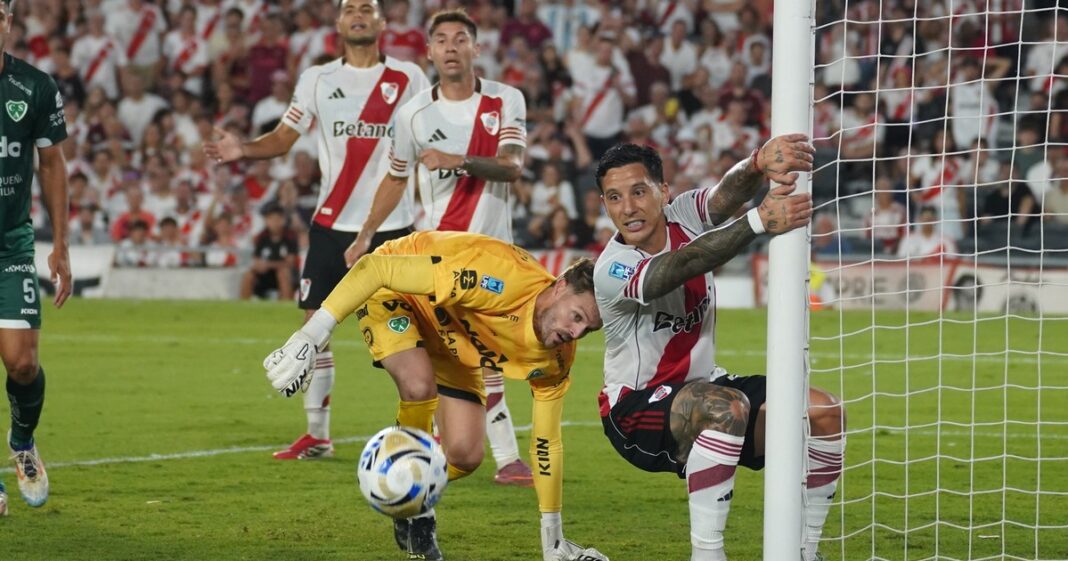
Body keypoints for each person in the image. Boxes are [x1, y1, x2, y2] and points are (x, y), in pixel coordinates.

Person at [263, 231, 608, 561]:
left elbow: (546, 442)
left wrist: (553, 539)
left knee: (466, 455)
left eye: (588, 329)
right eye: (576, 316)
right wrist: (311, 336)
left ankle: (404, 485)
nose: (575, 332)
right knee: (418, 385)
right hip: (397, 291)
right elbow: (374, 268)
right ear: (559, 286)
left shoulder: (557, 358)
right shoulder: (498, 278)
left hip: (453, 331)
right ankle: (413, 505)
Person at [592, 140, 845, 561]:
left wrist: (757, 163)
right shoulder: (612, 267)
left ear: (663, 191)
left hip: (705, 385)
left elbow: (725, 195)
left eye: (638, 191)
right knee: (725, 407)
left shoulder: (683, 214)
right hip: (635, 409)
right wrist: (758, 221)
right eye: (614, 197)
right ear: (604, 204)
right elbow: (677, 268)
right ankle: (707, 555)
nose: (628, 208)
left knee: (824, 413)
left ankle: (807, 551)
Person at [204, 0, 429, 461]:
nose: (359, 14)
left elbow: (427, 138)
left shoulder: (409, 77)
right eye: (350, 9)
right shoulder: (317, 78)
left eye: (367, 8)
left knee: (408, 335)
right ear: (339, 22)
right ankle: (318, 435)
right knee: (313, 327)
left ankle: (427, 431)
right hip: (331, 225)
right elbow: (285, 137)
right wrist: (243, 149)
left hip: (392, 227)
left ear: (382, 22)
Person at [344, 9, 536, 487]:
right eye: (442, 40)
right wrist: (366, 234)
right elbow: (395, 178)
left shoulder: (504, 100)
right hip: (436, 258)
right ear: (429, 51)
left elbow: (512, 166)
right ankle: (490, 455)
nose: (452, 47)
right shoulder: (412, 114)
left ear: (476, 48)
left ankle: (480, 453)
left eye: (461, 38)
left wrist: (458, 160)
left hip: (493, 256)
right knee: (456, 357)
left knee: (487, 354)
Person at [0, 0, 74, 515]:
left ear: (7, 21)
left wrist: (61, 245)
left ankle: (22, 442)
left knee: (23, 364)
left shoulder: (34, 86)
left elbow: (52, 164)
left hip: (11, 242)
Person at [241, 205, 298, 300]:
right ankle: (244, 303)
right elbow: (256, 259)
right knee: (248, 275)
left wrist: (268, 265)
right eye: (271, 219)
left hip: (286, 274)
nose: (274, 222)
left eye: (277, 219)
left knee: (283, 273)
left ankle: (285, 302)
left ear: (283, 220)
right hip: (265, 274)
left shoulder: (290, 236)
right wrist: (259, 266)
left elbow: (290, 262)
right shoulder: (262, 237)